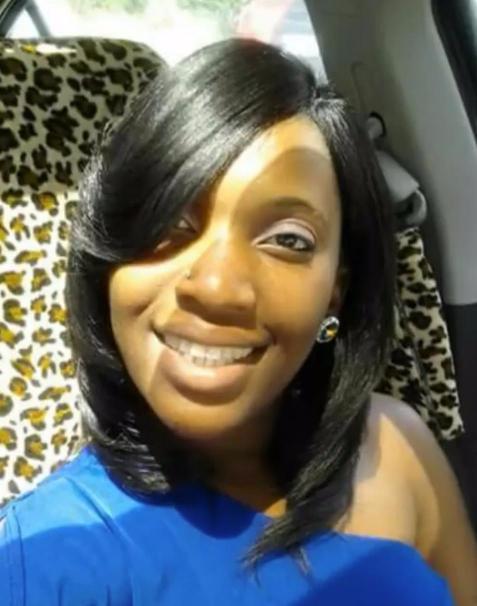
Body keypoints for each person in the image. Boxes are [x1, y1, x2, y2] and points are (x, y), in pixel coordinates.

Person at [1, 38, 476, 605]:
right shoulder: (41, 554)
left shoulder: (397, 441)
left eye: (288, 240)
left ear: (336, 293)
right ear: (107, 266)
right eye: (169, 222)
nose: (217, 289)